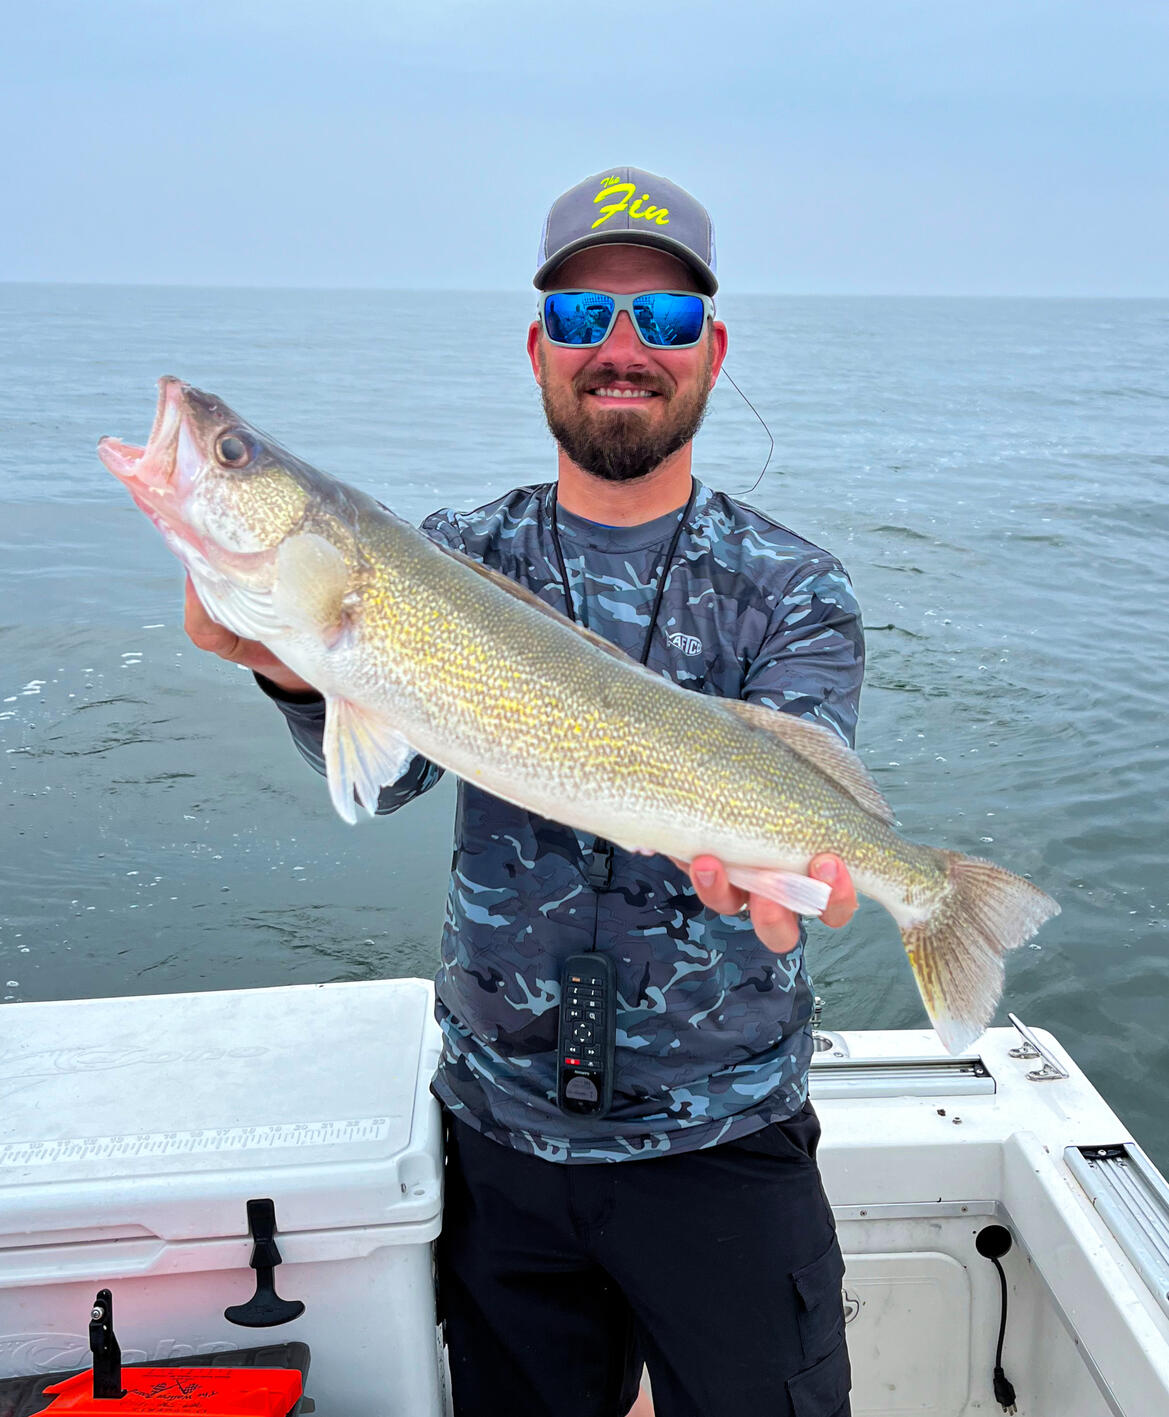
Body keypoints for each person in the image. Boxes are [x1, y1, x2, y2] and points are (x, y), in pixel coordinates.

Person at [185, 167, 861, 1417]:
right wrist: (293, 668)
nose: (619, 349)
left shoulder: (790, 586)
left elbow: (797, 820)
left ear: (708, 348)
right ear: (536, 347)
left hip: (722, 1143)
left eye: (657, 321)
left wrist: (785, 884)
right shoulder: (452, 558)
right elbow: (387, 783)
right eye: (581, 319)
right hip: (499, 1141)